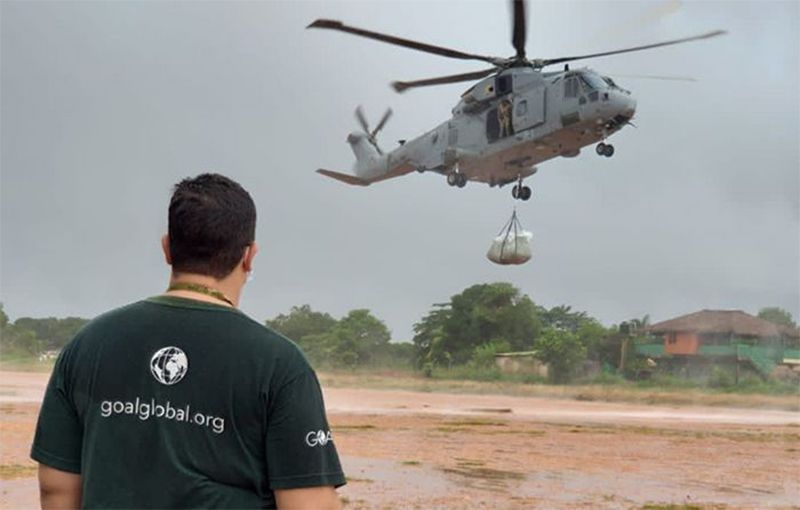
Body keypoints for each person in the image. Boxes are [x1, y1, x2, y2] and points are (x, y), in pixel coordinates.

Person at [31, 173, 345, 509]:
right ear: (249, 256)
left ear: (167, 248)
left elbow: (56, 489)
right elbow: (309, 503)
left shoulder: (87, 345)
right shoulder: (280, 364)